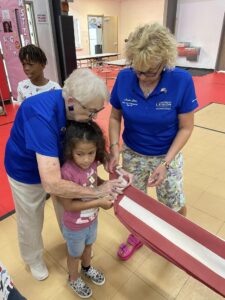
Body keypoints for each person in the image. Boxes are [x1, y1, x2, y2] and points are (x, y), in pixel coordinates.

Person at [4, 68, 124, 281]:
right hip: (25, 170)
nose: (93, 117)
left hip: (59, 165)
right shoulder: (40, 114)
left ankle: (72, 241)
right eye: (91, 112)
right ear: (71, 101)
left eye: (97, 111)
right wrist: (96, 190)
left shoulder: (76, 108)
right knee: (30, 218)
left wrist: (106, 158)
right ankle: (33, 258)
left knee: (66, 207)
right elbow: (51, 184)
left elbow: (90, 135)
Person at [108, 23, 198, 260]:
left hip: (166, 155)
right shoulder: (124, 77)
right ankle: (138, 234)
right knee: (135, 201)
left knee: (173, 202)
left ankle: (176, 236)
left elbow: (186, 128)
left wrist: (166, 163)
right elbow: (115, 115)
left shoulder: (181, 80)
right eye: (138, 70)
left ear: (164, 63)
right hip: (133, 154)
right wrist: (114, 148)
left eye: (151, 72)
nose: (143, 77)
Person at [59, 121, 115, 298]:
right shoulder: (67, 172)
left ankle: (86, 268)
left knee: (89, 246)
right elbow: (68, 205)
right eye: (80, 154)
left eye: (91, 153)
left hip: (92, 220)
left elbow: (92, 179)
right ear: (70, 151)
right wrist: (98, 201)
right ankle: (73, 278)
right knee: (74, 254)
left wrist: (104, 184)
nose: (86, 159)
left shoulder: (91, 164)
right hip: (75, 225)